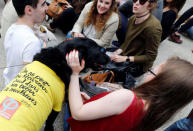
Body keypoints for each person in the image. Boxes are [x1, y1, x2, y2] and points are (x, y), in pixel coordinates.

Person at [66, 51, 193, 131]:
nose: (149, 71)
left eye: (153, 71)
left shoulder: (127, 97)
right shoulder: (158, 113)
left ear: (161, 83)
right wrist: (95, 103)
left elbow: (78, 113)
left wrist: (74, 73)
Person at [110, 0, 162, 77]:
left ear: (150, 5)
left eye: (142, 1)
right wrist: (119, 50)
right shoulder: (133, 18)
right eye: (134, 0)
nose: (136, 3)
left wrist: (125, 58)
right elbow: (128, 41)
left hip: (138, 65)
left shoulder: (153, 28)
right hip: (128, 53)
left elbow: (151, 56)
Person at [3, 0, 48, 85]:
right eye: (43, 4)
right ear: (29, 10)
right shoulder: (32, 42)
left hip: (9, 83)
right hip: (19, 92)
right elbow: (31, 78)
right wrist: (43, 49)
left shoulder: (11, 28)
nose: (47, 7)